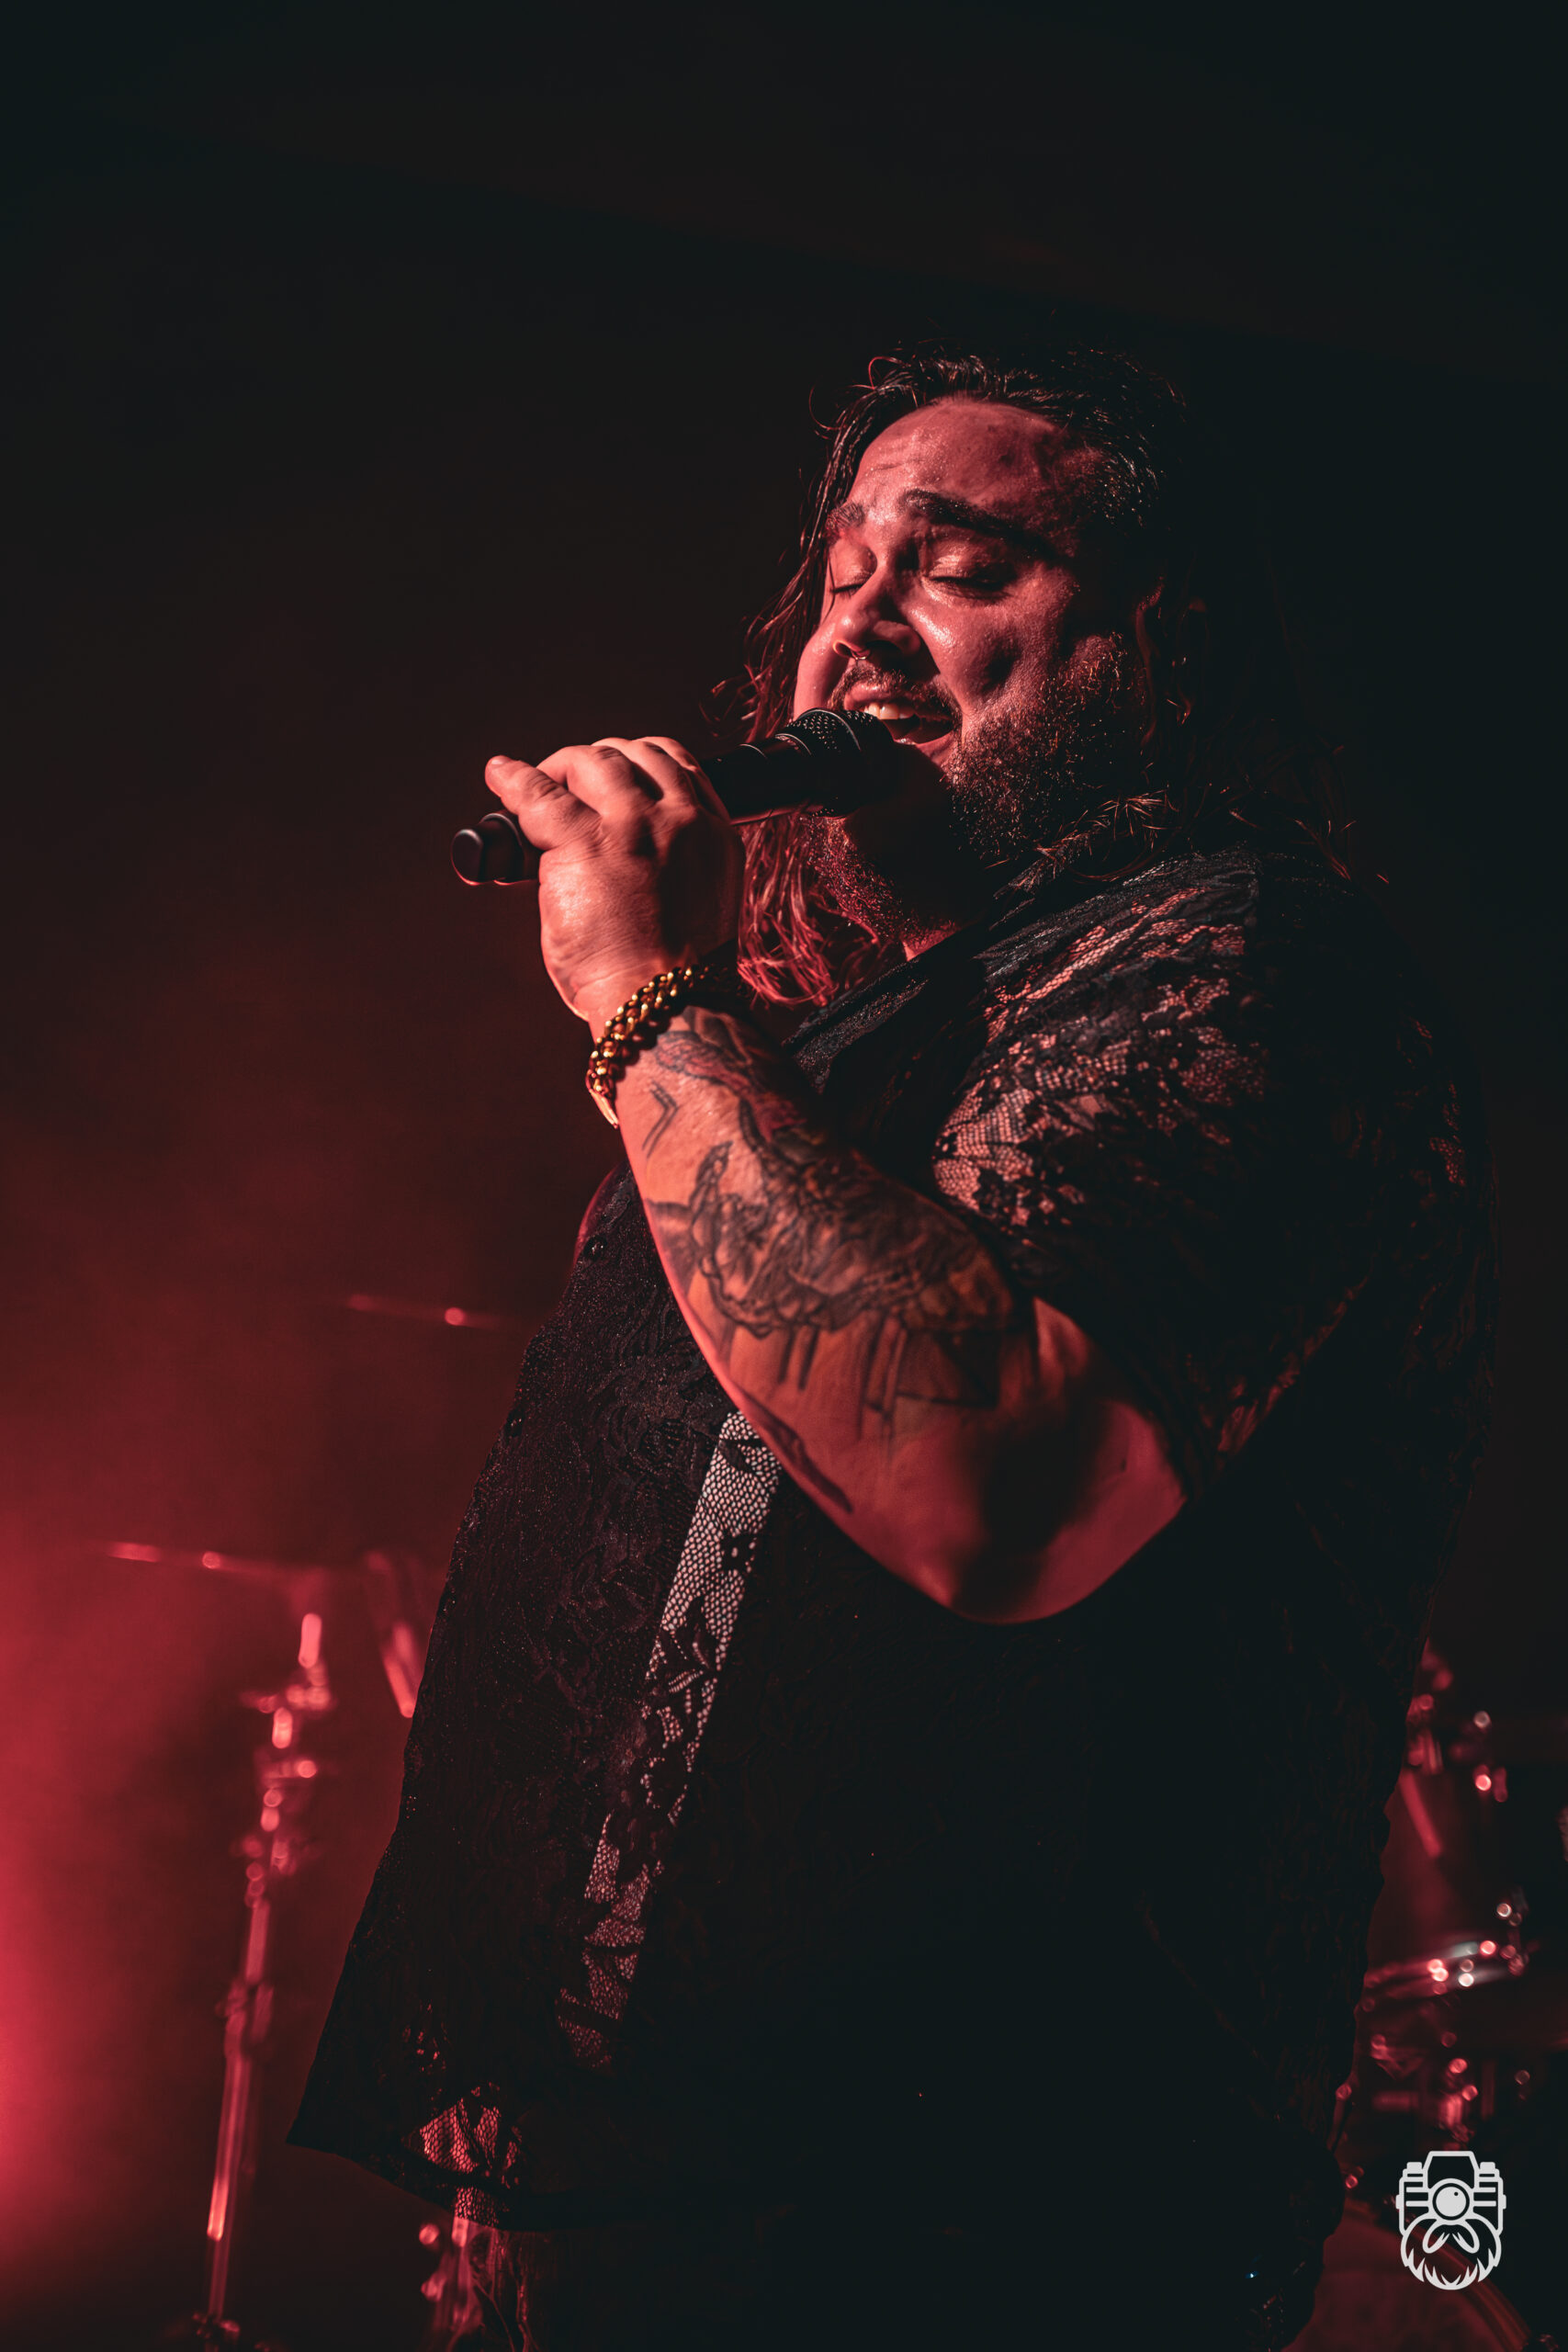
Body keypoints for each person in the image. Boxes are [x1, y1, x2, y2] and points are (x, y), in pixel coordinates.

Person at [290, 348, 1496, 2349]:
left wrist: (649, 1006)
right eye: (839, 570)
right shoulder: (827, 1060)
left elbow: (984, 1480)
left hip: (981, 2240)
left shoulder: (1261, 967)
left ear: (1157, 645)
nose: (856, 626)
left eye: (953, 567)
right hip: (638, 2217)